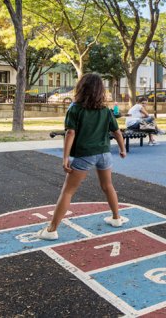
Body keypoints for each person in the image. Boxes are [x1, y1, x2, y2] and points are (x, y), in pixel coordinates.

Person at [36, 73, 128, 240]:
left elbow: (70, 132)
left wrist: (65, 158)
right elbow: (117, 132)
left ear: (81, 88)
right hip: (104, 154)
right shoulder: (106, 111)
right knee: (108, 186)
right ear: (100, 91)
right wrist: (122, 150)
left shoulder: (75, 108)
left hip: (84, 155)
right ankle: (116, 218)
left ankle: (51, 230)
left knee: (68, 191)